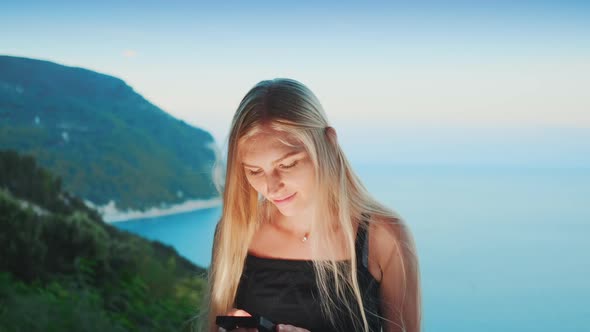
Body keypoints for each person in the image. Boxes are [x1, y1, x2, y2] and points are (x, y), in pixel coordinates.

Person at [204, 78, 421, 332]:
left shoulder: (384, 237)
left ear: (328, 143)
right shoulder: (236, 231)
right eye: (254, 170)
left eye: (287, 165)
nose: (271, 188)